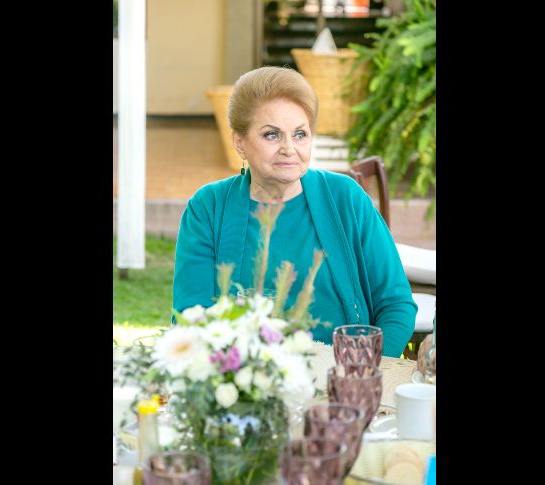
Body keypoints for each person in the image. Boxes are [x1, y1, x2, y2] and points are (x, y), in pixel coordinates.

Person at [172, 66, 418, 357]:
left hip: (346, 374)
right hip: (246, 376)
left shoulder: (346, 197)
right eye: (272, 135)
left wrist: (363, 371)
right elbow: (191, 317)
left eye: (300, 134)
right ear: (240, 142)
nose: (289, 148)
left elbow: (395, 304)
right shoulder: (208, 207)